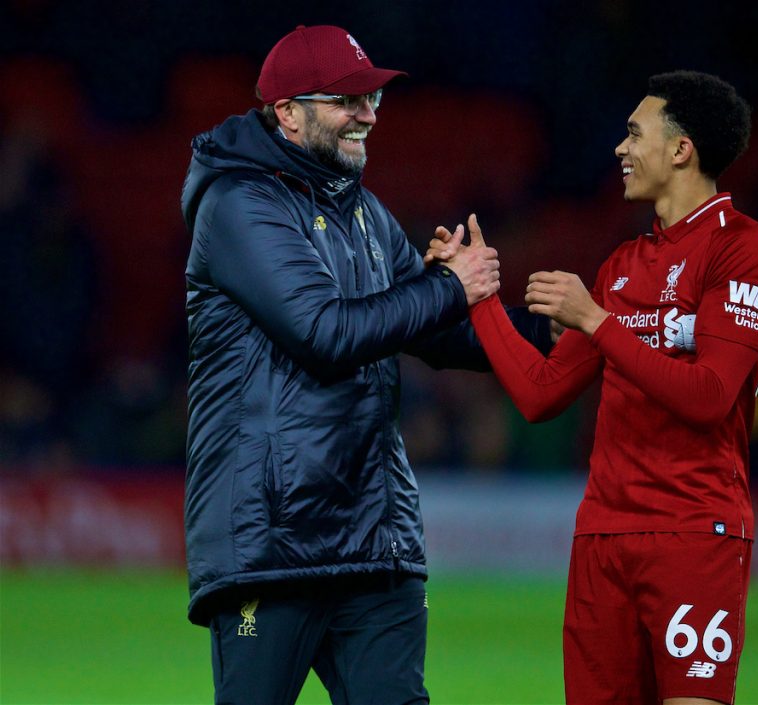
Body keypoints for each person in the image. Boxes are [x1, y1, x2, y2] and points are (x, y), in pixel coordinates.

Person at [180, 24, 551, 705]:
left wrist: (567, 331)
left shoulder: (363, 213)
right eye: (347, 99)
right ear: (288, 113)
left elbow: (438, 335)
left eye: (373, 97)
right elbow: (324, 332)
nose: (369, 114)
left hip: (373, 537)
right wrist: (445, 287)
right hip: (274, 541)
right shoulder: (238, 205)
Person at [429, 71, 758, 705]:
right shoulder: (622, 265)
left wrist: (596, 321)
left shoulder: (744, 252)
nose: (620, 149)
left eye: (633, 134)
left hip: (692, 534)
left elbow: (709, 397)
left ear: (681, 150)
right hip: (601, 539)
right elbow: (541, 395)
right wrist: (478, 298)